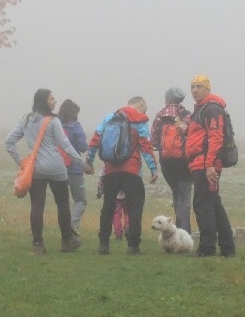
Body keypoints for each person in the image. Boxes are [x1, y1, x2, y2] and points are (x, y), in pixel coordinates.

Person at [5, 89, 85, 254]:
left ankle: (38, 244)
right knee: (62, 204)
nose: (55, 101)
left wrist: (22, 162)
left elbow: (9, 142)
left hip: (35, 170)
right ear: (43, 101)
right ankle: (66, 241)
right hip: (56, 168)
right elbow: (65, 145)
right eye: (51, 99)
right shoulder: (53, 121)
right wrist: (81, 163)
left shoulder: (26, 120)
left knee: (37, 206)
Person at [86, 96, 158, 255]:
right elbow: (146, 147)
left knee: (108, 207)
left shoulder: (109, 118)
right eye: (144, 110)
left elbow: (95, 141)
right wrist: (153, 169)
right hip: (132, 171)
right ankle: (133, 246)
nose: (144, 113)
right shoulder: (140, 120)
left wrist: (89, 161)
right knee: (134, 208)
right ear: (140, 105)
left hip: (110, 170)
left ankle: (103, 245)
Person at [185, 75, 235, 257]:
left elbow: (215, 138)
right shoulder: (201, 109)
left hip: (206, 165)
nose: (195, 90)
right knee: (214, 205)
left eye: (199, 86)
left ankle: (207, 248)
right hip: (200, 164)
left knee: (202, 205)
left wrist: (209, 166)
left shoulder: (212, 108)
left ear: (207, 89)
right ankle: (227, 247)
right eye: (192, 87)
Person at [150, 86, 194, 233]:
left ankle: (177, 229)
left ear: (167, 99)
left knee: (176, 193)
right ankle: (184, 230)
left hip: (166, 162)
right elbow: (193, 135)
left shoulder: (160, 115)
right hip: (184, 161)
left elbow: (154, 139)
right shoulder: (187, 115)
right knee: (185, 195)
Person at [56, 99, 89, 236]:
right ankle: (72, 225)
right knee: (81, 200)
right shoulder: (76, 127)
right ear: (74, 113)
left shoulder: (56, 126)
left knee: (62, 202)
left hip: (58, 169)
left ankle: (65, 229)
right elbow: (83, 147)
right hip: (74, 169)